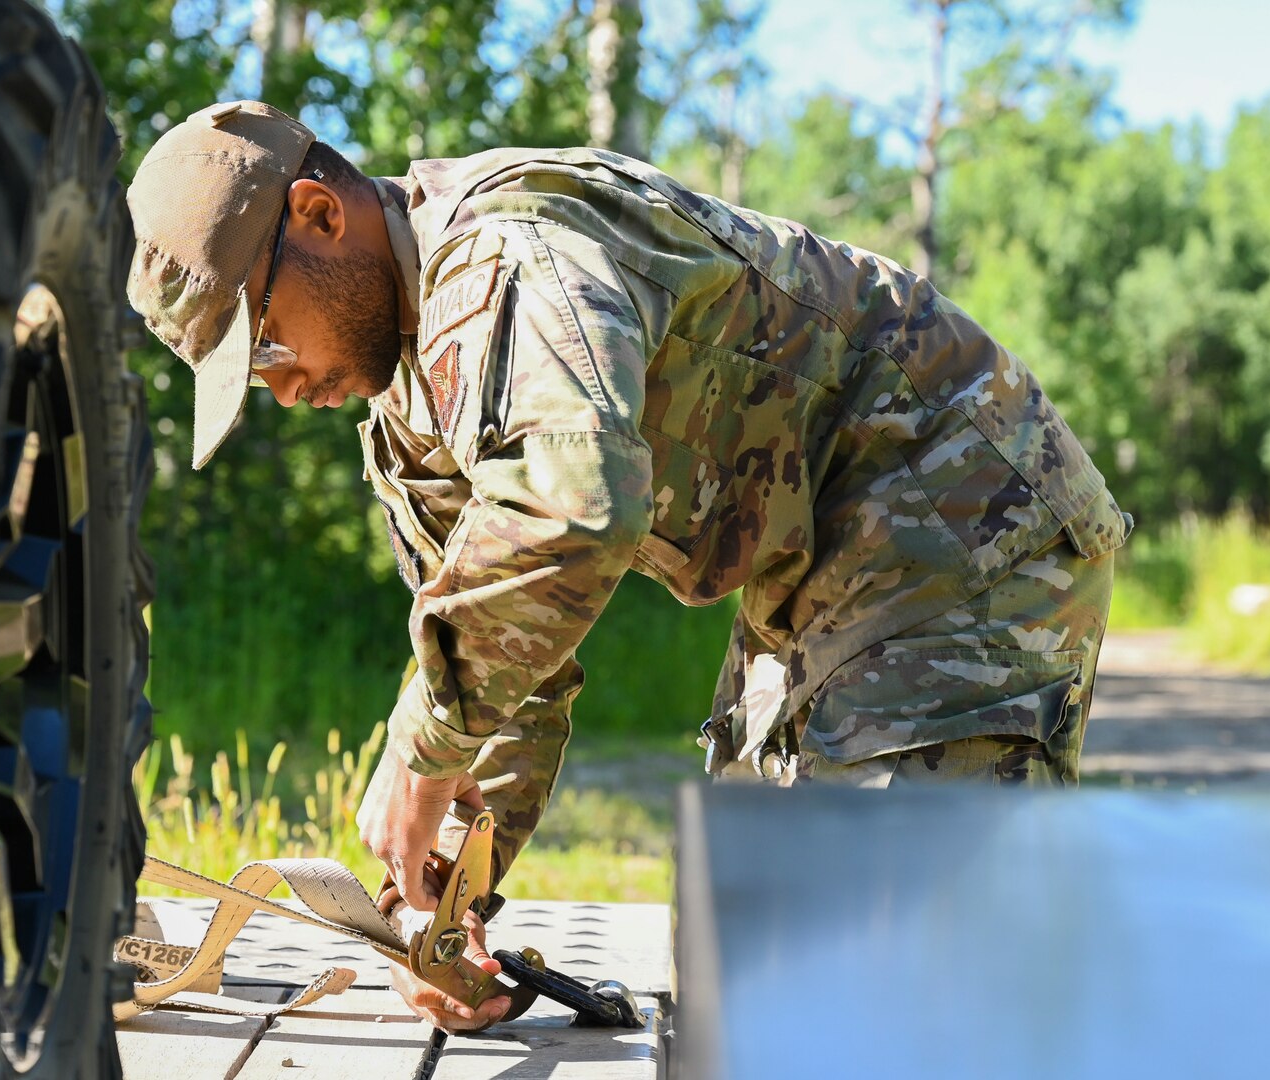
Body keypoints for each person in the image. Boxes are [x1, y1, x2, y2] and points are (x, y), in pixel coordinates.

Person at [125, 100, 1131, 1031]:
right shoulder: (405, 416)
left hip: (957, 500)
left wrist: (418, 744)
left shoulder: (503, 256)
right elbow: (509, 655)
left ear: (317, 214)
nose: (284, 385)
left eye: (262, 343)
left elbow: (576, 511)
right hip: (820, 561)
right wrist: (443, 903)